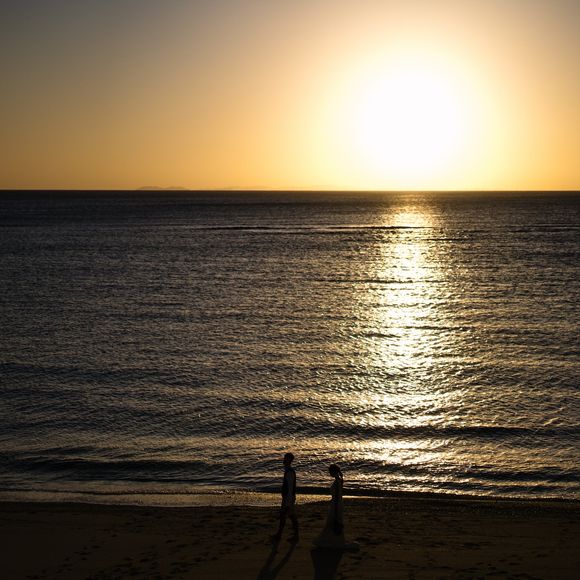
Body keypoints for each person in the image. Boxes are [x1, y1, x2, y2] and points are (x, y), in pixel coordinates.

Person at [313, 463, 357, 550]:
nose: (330, 474)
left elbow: (336, 497)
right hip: (337, 504)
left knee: (332, 523)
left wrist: (335, 510)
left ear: (334, 472)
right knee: (334, 523)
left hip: (336, 504)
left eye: (330, 472)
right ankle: (334, 541)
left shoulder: (337, 482)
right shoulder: (339, 481)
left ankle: (330, 541)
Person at [271, 452, 299, 544]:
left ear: (289, 460)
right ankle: (283, 535)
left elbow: (290, 488)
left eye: (286, 458)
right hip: (288, 497)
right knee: (289, 516)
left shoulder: (289, 472)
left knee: (287, 516)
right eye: (284, 458)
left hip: (288, 498)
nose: (284, 460)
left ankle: (283, 535)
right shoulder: (288, 471)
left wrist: (287, 501)